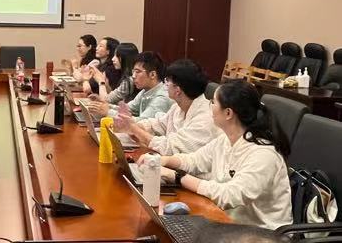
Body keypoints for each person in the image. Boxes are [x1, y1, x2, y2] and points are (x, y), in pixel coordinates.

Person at [151, 79, 292, 229]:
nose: (210, 106)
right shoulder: (225, 139)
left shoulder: (263, 154)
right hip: (229, 223)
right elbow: (195, 160)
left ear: (228, 113)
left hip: (262, 233)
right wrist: (164, 160)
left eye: (213, 102)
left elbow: (230, 195)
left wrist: (178, 177)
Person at [116, 59, 218, 155]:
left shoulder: (205, 118)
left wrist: (134, 129)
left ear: (177, 90)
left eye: (168, 80)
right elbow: (157, 124)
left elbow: (171, 148)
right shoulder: (178, 107)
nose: (165, 84)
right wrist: (135, 126)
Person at [88, 51, 172, 120]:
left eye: (137, 72)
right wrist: (103, 105)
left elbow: (142, 122)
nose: (133, 76)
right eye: (133, 71)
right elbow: (127, 109)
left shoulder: (162, 97)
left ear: (152, 75)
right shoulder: (145, 91)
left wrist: (108, 112)